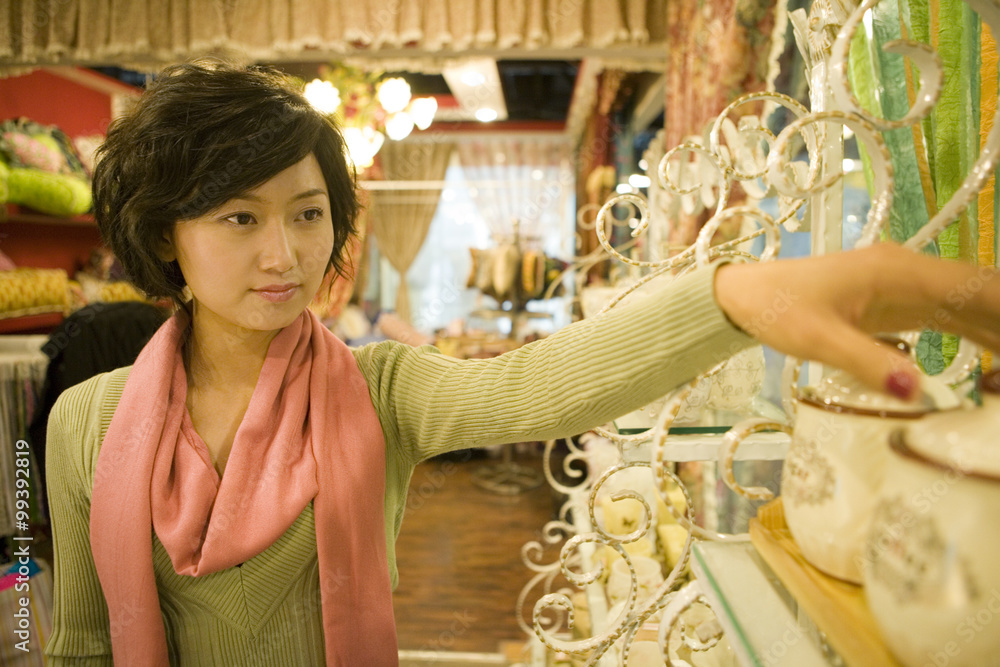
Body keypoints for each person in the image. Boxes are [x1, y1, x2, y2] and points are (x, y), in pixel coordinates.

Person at [42, 59, 1000, 667]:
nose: (285, 253)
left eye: (305, 211)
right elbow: (81, 644)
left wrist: (737, 295)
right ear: (167, 239)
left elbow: (543, 383)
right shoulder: (86, 422)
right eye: (239, 218)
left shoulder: (380, 390)